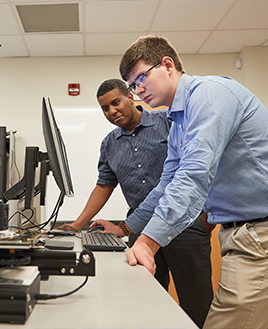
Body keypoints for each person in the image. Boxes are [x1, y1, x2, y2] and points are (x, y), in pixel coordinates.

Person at [92, 35, 268, 329]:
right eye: (133, 85)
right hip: (254, 233)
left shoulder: (209, 95)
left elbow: (194, 175)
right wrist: (129, 228)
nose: (138, 91)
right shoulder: (178, 124)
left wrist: (147, 243)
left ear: (168, 65)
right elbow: (165, 186)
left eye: (141, 79)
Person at [58, 78, 214, 327]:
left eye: (115, 103)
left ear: (131, 97)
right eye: (105, 109)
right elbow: (104, 185)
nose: (112, 111)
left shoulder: (167, 121)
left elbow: (201, 163)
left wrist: (208, 215)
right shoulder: (110, 143)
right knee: (145, 303)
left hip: (184, 225)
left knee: (196, 304)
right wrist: (78, 224)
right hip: (139, 229)